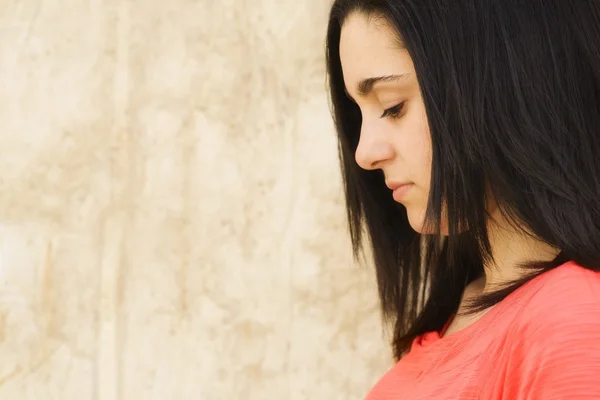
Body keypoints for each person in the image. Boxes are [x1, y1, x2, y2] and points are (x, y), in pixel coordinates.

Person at [325, 0, 600, 398]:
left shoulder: (573, 321)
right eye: (359, 113)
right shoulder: (465, 308)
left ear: (504, 83)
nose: (364, 152)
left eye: (392, 106)